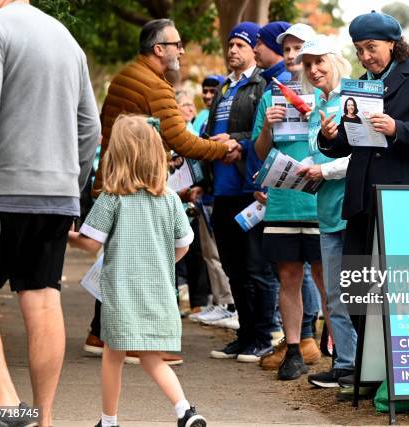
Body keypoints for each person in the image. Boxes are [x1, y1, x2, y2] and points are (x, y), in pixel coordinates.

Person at [0, 2, 100, 426]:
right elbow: (90, 127)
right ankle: (43, 420)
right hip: (57, 194)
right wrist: (72, 186)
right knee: (42, 297)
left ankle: (6, 404)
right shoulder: (65, 38)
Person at [84, 19, 238, 364]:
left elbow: (156, 137)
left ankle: (99, 332)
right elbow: (178, 137)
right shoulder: (154, 84)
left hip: (117, 177)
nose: (182, 51)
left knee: (116, 260)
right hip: (131, 185)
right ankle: (128, 339)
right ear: (159, 49)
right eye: (177, 44)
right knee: (137, 264)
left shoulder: (129, 75)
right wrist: (219, 149)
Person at [317, 11, 409, 389]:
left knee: (404, 289)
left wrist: (399, 129)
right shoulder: (360, 87)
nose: (364, 57)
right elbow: (349, 142)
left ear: (393, 44)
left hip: (404, 204)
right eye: (359, 49)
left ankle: (405, 371)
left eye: (371, 48)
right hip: (362, 202)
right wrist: (330, 137)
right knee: (357, 284)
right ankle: (372, 365)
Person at [68, 115, 206, 427]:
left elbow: (90, 244)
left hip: (121, 291)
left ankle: (109, 420)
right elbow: (184, 243)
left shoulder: (113, 197)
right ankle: (185, 410)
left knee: (113, 355)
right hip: (158, 291)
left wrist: (67, 235)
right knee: (152, 358)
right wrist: (162, 262)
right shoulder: (169, 198)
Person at [203, 22, 280, 362]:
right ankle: (244, 334)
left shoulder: (261, 85)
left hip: (249, 187)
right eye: (229, 44)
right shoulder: (222, 89)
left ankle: (263, 336)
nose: (232, 50)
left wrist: (238, 142)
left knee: (255, 267)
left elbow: (266, 134)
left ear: (253, 50)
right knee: (233, 266)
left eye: (240, 45)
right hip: (221, 190)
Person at [252, 23, 324, 375]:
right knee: (289, 276)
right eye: (288, 50)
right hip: (282, 201)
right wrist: (267, 125)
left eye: (299, 49)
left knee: (327, 277)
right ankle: (294, 348)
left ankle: (339, 352)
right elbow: (260, 149)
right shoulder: (271, 95)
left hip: (319, 203)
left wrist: (319, 123)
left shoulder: (327, 93)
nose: (293, 56)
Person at [293, 35, 358, 386]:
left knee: (357, 291)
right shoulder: (317, 101)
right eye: (308, 64)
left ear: (336, 59)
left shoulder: (355, 96)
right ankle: (346, 365)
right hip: (327, 211)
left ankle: (364, 365)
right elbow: (316, 153)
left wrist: (324, 171)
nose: (314, 70)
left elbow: (361, 155)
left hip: (353, 210)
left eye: (320, 61)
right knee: (333, 294)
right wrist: (292, 170)